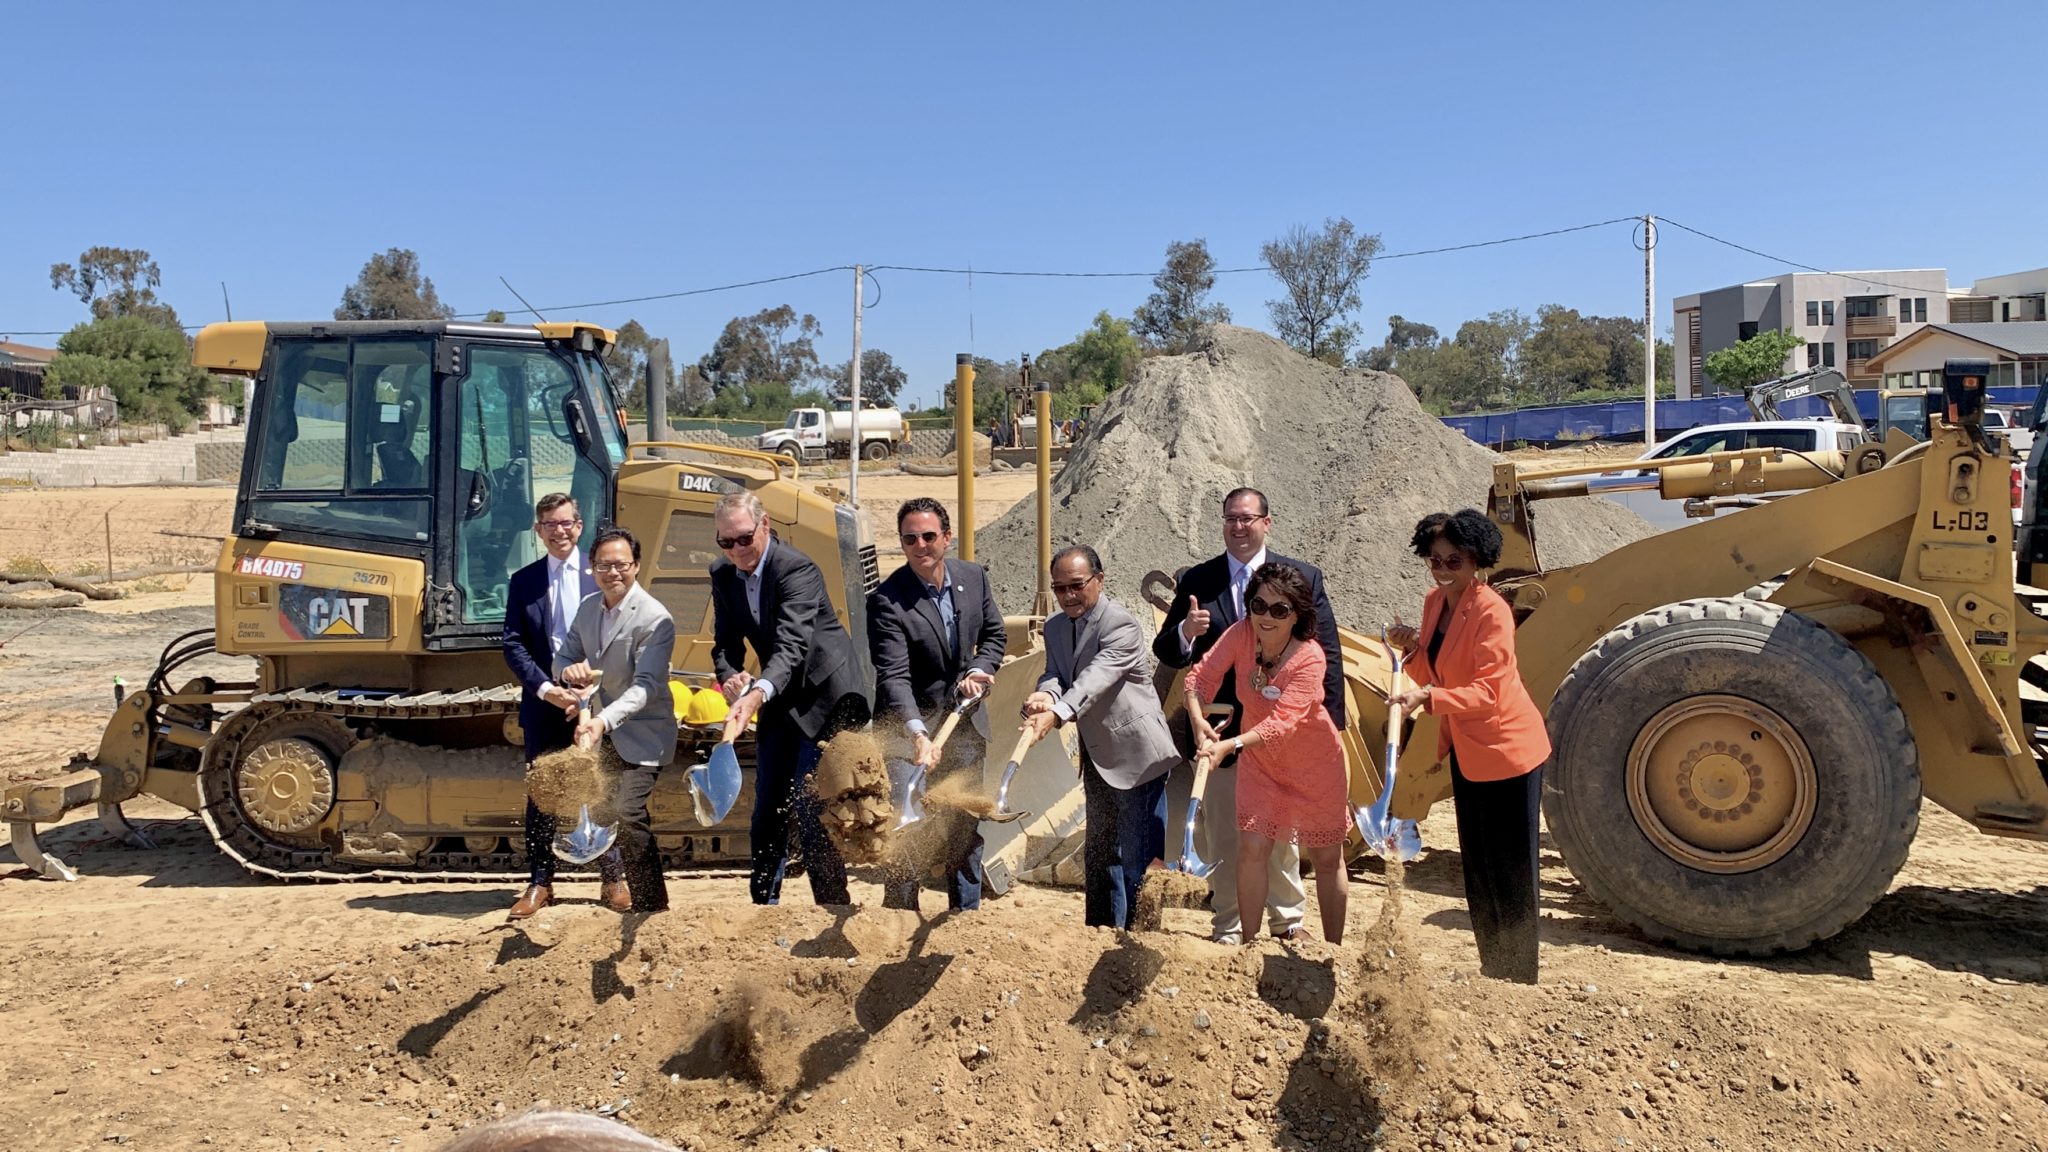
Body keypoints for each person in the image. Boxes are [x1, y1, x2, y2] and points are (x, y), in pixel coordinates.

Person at [1151, 487, 1345, 944]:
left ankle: (1287, 920)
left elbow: (1328, 654)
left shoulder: (1303, 578)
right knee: (1228, 835)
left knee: (1282, 838)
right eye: (1231, 519)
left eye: (1248, 519)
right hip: (1223, 733)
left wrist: (1328, 727)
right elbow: (1168, 652)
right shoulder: (1200, 580)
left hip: (1286, 737)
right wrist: (1185, 631)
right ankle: (1231, 925)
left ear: (1266, 522)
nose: (1239, 527)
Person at [1386, 509, 1551, 984]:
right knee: (1478, 866)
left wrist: (1428, 698)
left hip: (1508, 751)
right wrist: (1413, 650)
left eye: (1452, 561)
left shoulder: (1492, 610)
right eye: (1434, 560)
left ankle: (1519, 976)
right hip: (1468, 749)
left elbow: (1489, 691)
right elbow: (1437, 669)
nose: (1441, 570)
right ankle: (1493, 969)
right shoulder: (1435, 603)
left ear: (1476, 560)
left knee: (1512, 869)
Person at [710, 489, 869, 906]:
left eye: (744, 538)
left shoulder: (796, 569)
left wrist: (757, 693)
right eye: (726, 542)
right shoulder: (723, 575)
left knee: (813, 804)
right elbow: (724, 643)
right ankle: (764, 906)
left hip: (825, 693)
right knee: (768, 805)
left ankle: (832, 905)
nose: (737, 550)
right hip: (779, 694)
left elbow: (792, 645)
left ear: (765, 526)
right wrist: (729, 677)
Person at [1184, 562, 1350, 943]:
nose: (1266, 617)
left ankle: (1333, 949)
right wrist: (1198, 721)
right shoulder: (1242, 633)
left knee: (1326, 858)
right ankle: (1249, 944)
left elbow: (1283, 724)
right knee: (1253, 847)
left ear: (1298, 615)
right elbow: (1200, 678)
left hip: (1314, 765)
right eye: (1259, 606)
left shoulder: (1310, 657)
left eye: (1280, 610)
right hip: (1262, 762)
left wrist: (1228, 745)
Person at [1023, 545, 1179, 929]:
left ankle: (1141, 941)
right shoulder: (1057, 626)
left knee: (1139, 862)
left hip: (1138, 758)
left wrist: (1058, 714)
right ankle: (1100, 935)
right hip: (1097, 756)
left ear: (1099, 579)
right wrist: (1046, 693)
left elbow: (1095, 678)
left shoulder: (1120, 625)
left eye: (1076, 585)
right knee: (1100, 853)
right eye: (1059, 589)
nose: (1068, 596)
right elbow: (1058, 672)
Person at [867, 497, 1006, 911]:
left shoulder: (974, 577)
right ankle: (900, 914)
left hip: (963, 724)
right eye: (910, 539)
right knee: (907, 824)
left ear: (946, 538)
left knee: (963, 825)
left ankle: (965, 915)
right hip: (909, 728)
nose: (920, 545)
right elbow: (894, 676)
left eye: (929, 536)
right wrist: (917, 735)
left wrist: (980, 670)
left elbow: (995, 636)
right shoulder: (888, 601)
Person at [500, 493, 629, 919]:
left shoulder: (602, 579)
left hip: (598, 700)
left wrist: (590, 694)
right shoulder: (524, 582)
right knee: (542, 793)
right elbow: (514, 644)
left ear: (579, 526)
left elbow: (623, 636)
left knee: (603, 786)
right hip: (546, 702)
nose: (560, 531)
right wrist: (545, 689)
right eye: (550, 525)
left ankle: (613, 878)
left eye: (567, 523)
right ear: (539, 532)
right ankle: (540, 883)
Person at [555, 525, 678, 914]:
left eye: (621, 564)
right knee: (602, 812)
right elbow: (564, 655)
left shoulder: (656, 619)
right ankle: (617, 891)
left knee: (627, 812)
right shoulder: (589, 608)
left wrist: (601, 721)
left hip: (643, 734)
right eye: (604, 566)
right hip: (601, 731)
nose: (613, 573)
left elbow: (646, 687)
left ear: (636, 566)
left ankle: (651, 907)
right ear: (592, 569)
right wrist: (567, 674)